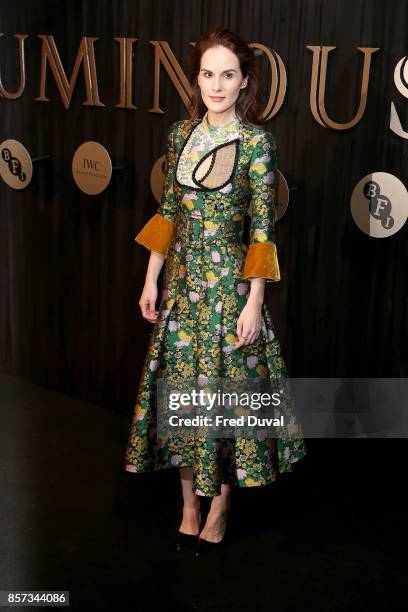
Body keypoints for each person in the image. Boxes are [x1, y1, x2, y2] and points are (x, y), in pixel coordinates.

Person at [124, 27, 307, 555]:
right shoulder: (181, 135)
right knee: (183, 399)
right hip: (182, 287)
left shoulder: (256, 142)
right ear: (197, 78)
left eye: (228, 74)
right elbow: (169, 212)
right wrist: (151, 277)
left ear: (244, 81)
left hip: (228, 290)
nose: (217, 84)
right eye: (208, 73)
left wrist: (255, 300)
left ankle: (222, 505)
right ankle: (187, 506)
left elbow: (262, 230)